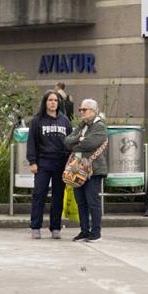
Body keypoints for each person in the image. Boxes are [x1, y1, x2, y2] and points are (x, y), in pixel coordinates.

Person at [27, 90, 72, 240]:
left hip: (61, 164)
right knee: (39, 195)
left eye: (56, 100)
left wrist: (70, 163)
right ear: (45, 102)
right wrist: (32, 162)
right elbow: (31, 142)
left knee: (58, 197)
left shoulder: (65, 120)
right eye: (50, 100)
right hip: (43, 163)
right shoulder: (37, 120)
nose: (53, 103)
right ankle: (35, 227)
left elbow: (70, 142)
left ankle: (55, 227)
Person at [65, 99, 108, 243]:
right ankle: (84, 231)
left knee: (92, 201)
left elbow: (91, 143)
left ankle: (96, 233)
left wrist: (76, 144)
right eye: (80, 109)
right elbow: (66, 141)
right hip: (78, 169)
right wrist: (79, 138)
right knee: (81, 202)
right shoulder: (81, 126)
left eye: (85, 110)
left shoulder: (99, 126)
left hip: (93, 170)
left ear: (94, 111)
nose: (81, 112)